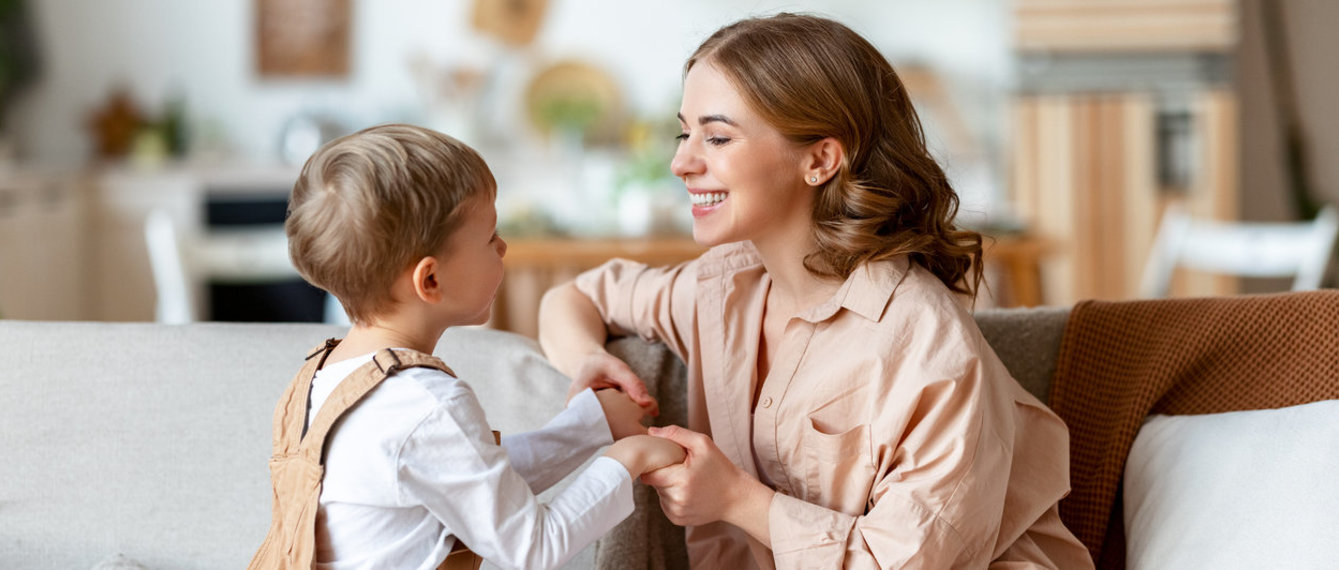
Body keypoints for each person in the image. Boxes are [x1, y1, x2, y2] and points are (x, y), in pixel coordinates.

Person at [538, 14, 1094, 569]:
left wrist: (737, 499)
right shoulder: (720, 288)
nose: (681, 162)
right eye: (685, 132)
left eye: (718, 136)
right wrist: (589, 359)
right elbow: (573, 299)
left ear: (821, 160)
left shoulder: (926, 346)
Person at [251, 124, 685, 570]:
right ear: (431, 279)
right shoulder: (425, 404)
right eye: (489, 237)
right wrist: (625, 461)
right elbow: (533, 548)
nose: (503, 247)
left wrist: (588, 427)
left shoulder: (319, 381)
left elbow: (469, 477)